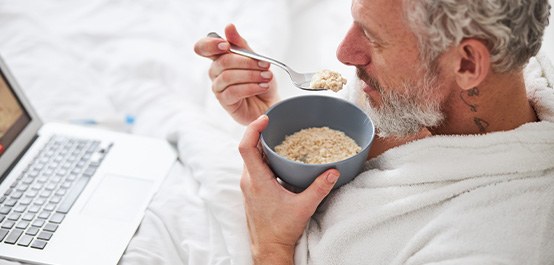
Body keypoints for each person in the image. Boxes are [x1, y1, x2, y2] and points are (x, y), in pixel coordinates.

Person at [195, 0, 554, 264]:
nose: (344, 53)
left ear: (467, 63)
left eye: (372, 36)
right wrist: (279, 115)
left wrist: (271, 246)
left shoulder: (493, 246)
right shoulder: (413, 98)